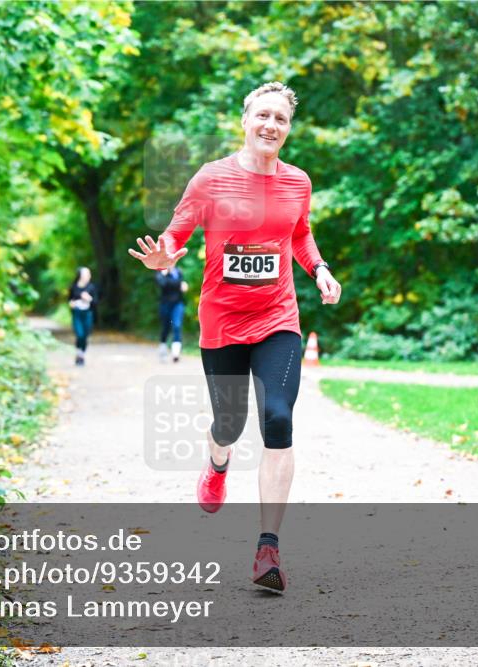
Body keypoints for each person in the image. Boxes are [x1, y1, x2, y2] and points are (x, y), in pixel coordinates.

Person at [128, 82, 341, 592]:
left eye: (281, 119)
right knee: (229, 423)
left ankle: (268, 548)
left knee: (278, 418)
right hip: (223, 321)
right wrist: (164, 254)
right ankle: (217, 461)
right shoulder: (211, 178)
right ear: (245, 120)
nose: (271, 125)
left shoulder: (298, 182)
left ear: (288, 129)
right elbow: (177, 232)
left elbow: (299, 232)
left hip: (277, 317)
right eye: (262, 115)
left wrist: (319, 269)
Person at [155, 266, 188, 362]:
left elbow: (183, 285)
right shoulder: (161, 272)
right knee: (166, 327)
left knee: (177, 326)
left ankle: (175, 353)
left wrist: (184, 285)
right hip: (165, 304)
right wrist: (164, 274)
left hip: (177, 304)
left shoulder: (179, 271)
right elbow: (162, 283)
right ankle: (163, 349)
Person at [67, 267, 98, 366]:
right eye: (86, 274)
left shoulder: (91, 287)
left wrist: (89, 299)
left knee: (85, 335)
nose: (88, 276)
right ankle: (79, 354)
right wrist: (71, 304)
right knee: (79, 334)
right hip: (77, 313)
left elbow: (95, 302)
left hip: (87, 313)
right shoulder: (73, 287)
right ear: (80, 275)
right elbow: (69, 300)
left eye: (89, 274)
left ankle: (82, 355)